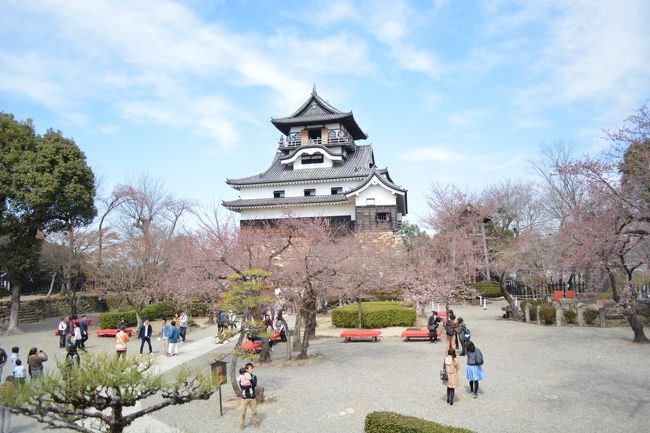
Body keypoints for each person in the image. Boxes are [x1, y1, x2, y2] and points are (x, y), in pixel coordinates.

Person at [239, 362, 260, 430]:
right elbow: (242, 387)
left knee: (254, 412)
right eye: (250, 368)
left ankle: (256, 423)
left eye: (252, 368)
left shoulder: (254, 377)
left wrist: (250, 379)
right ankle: (242, 425)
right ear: (246, 369)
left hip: (252, 397)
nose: (252, 369)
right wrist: (249, 385)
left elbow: (254, 384)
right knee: (242, 413)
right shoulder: (242, 376)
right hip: (244, 398)